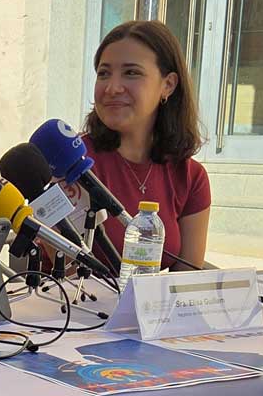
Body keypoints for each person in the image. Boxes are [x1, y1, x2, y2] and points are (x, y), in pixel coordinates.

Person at [80, 20, 211, 270]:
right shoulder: (74, 162)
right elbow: (62, 268)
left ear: (168, 85)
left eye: (131, 73)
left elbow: (186, 282)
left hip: (157, 309)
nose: (112, 88)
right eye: (104, 73)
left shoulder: (191, 177)